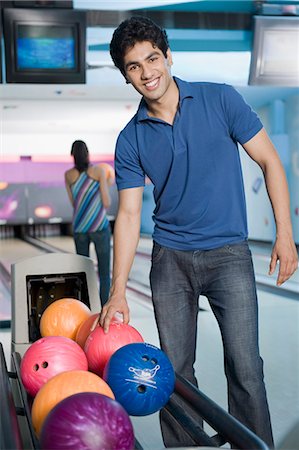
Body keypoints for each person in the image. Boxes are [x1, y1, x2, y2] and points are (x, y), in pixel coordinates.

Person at [99, 16, 298, 447]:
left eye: (152, 58)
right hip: (170, 260)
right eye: (134, 66)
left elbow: (269, 161)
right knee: (176, 372)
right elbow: (130, 216)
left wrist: (285, 232)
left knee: (246, 368)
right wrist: (117, 289)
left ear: (168, 56)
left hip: (229, 255)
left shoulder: (220, 99)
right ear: (126, 76)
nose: (147, 72)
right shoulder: (130, 139)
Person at [65, 140, 112, 306]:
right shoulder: (98, 171)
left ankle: (85, 307)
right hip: (99, 226)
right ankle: (104, 308)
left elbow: (74, 202)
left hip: (80, 228)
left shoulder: (68, 175)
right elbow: (106, 202)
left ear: (73, 155)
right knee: (105, 273)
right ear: (87, 153)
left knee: (83, 272)